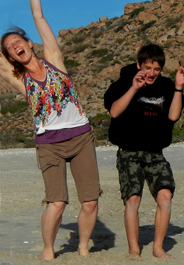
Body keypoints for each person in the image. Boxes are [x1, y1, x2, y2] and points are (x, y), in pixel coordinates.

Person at [0, 0, 100, 260]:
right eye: (10, 48)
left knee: (89, 201)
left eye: (17, 42)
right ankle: (48, 250)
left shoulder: (54, 59)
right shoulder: (20, 79)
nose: (15, 47)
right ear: (10, 57)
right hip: (49, 145)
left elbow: (39, 16)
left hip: (80, 137)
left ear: (29, 43)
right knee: (57, 203)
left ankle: (83, 247)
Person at [104, 44, 184, 259]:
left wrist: (178, 87)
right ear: (138, 64)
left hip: (155, 152)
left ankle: (158, 248)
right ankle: (134, 249)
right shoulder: (123, 82)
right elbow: (114, 112)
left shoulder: (167, 87)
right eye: (147, 67)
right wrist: (134, 88)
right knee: (132, 199)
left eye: (157, 69)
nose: (151, 73)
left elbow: (173, 116)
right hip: (129, 151)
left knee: (165, 196)